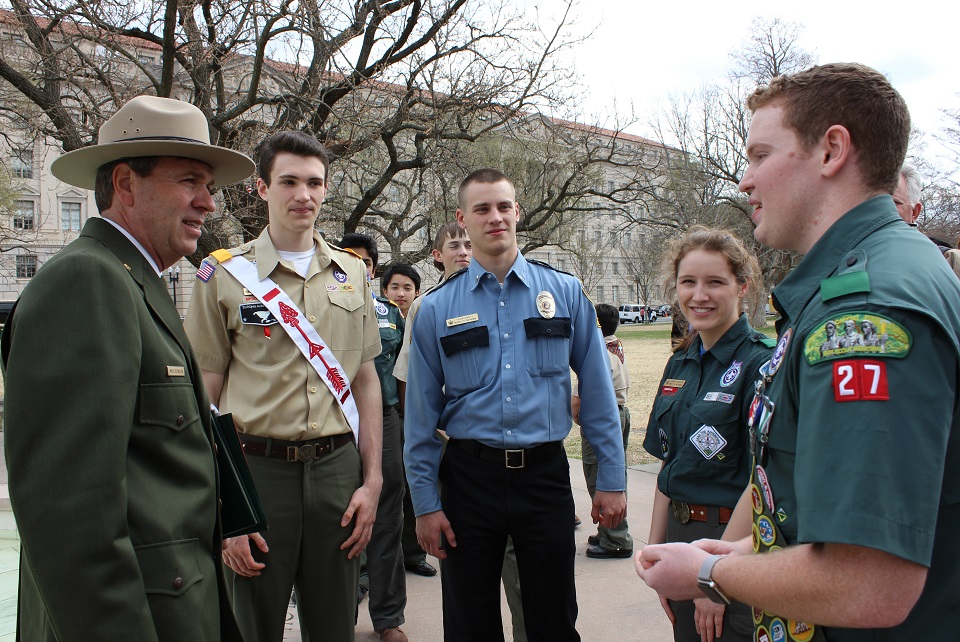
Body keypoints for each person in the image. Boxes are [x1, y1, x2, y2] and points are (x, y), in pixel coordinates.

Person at [636, 63, 960, 641]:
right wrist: (747, 545)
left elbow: (870, 580)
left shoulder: (867, 311)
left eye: (760, 155)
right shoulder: (875, 271)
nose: (744, 180)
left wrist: (713, 572)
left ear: (832, 149)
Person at [1, 95, 255, 640]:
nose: (208, 203)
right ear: (125, 184)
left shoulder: (132, 281)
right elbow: (71, 518)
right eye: (190, 180)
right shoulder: (87, 283)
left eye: (209, 186)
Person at [404, 168, 627, 641]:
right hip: (468, 479)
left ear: (517, 212)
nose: (495, 217)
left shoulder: (563, 293)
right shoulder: (436, 309)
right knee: (469, 621)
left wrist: (610, 478)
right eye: (482, 209)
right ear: (463, 220)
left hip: (543, 476)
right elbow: (420, 419)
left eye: (504, 206)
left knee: (553, 618)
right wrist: (424, 503)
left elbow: (599, 396)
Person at [184, 130, 383, 642]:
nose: (304, 195)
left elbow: (364, 381)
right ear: (261, 188)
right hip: (256, 473)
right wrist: (223, 502)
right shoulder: (222, 276)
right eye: (289, 181)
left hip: (337, 471)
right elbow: (204, 392)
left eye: (315, 183)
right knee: (252, 625)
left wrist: (373, 479)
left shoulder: (354, 274)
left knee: (334, 623)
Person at [641, 228, 773, 642]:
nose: (700, 295)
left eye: (715, 282)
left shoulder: (762, 363)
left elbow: (763, 477)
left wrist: (713, 578)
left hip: (732, 543)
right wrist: (654, 554)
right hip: (680, 540)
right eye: (688, 282)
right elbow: (670, 461)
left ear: (742, 286)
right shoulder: (680, 362)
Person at [338, 233, 409, 642]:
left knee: (387, 517)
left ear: (373, 268)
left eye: (364, 262)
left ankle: (388, 618)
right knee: (341, 517)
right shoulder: (320, 306)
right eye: (348, 259)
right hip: (337, 422)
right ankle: (339, 612)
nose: (357, 267)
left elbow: (400, 375)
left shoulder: (389, 312)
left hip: (383, 419)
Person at [393, 221, 471, 580]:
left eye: (469, 245)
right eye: (454, 246)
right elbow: (410, 375)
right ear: (438, 256)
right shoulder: (425, 306)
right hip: (441, 432)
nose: (464, 252)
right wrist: (420, 430)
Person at [572, 302, 634, 560]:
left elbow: (578, 398)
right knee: (614, 472)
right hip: (620, 413)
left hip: (602, 419)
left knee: (600, 477)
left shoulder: (600, 352)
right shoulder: (615, 346)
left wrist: (577, 417)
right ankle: (608, 531)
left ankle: (616, 539)